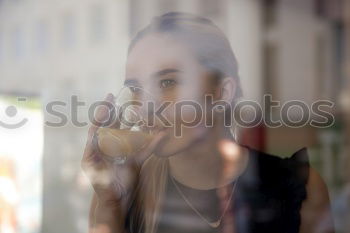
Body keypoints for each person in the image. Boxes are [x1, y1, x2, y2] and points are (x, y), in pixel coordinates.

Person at [81, 12, 334, 233]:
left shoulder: (301, 189)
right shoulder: (123, 192)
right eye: (136, 88)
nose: (146, 105)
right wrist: (109, 205)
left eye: (168, 82)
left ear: (222, 93)